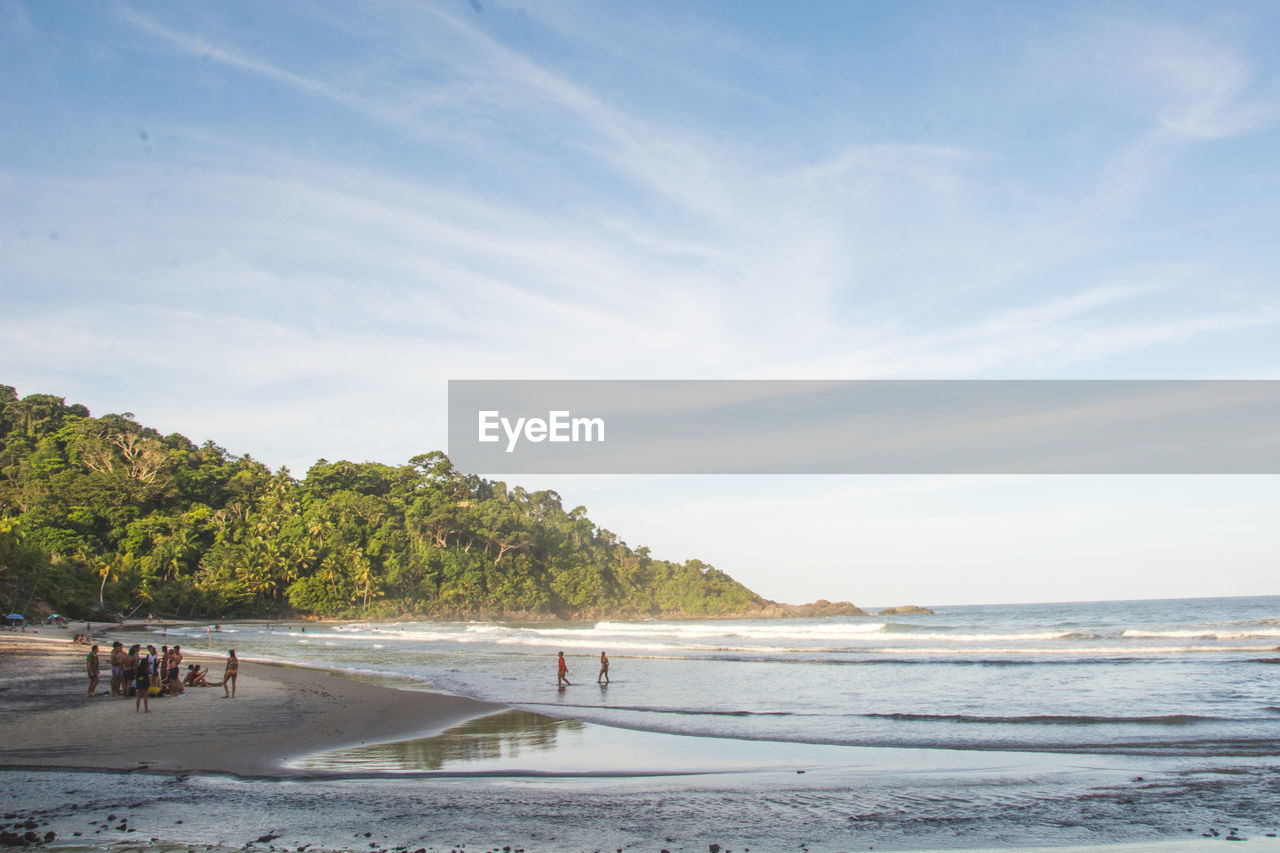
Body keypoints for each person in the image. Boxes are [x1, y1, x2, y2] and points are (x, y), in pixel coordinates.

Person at [131, 645, 149, 713]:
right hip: (145, 680)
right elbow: (150, 671)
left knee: (138, 696)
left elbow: (135, 670)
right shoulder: (146, 669)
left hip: (139, 680)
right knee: (145, 696)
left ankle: (137, 709)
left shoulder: (138, 668)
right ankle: (146, 709)